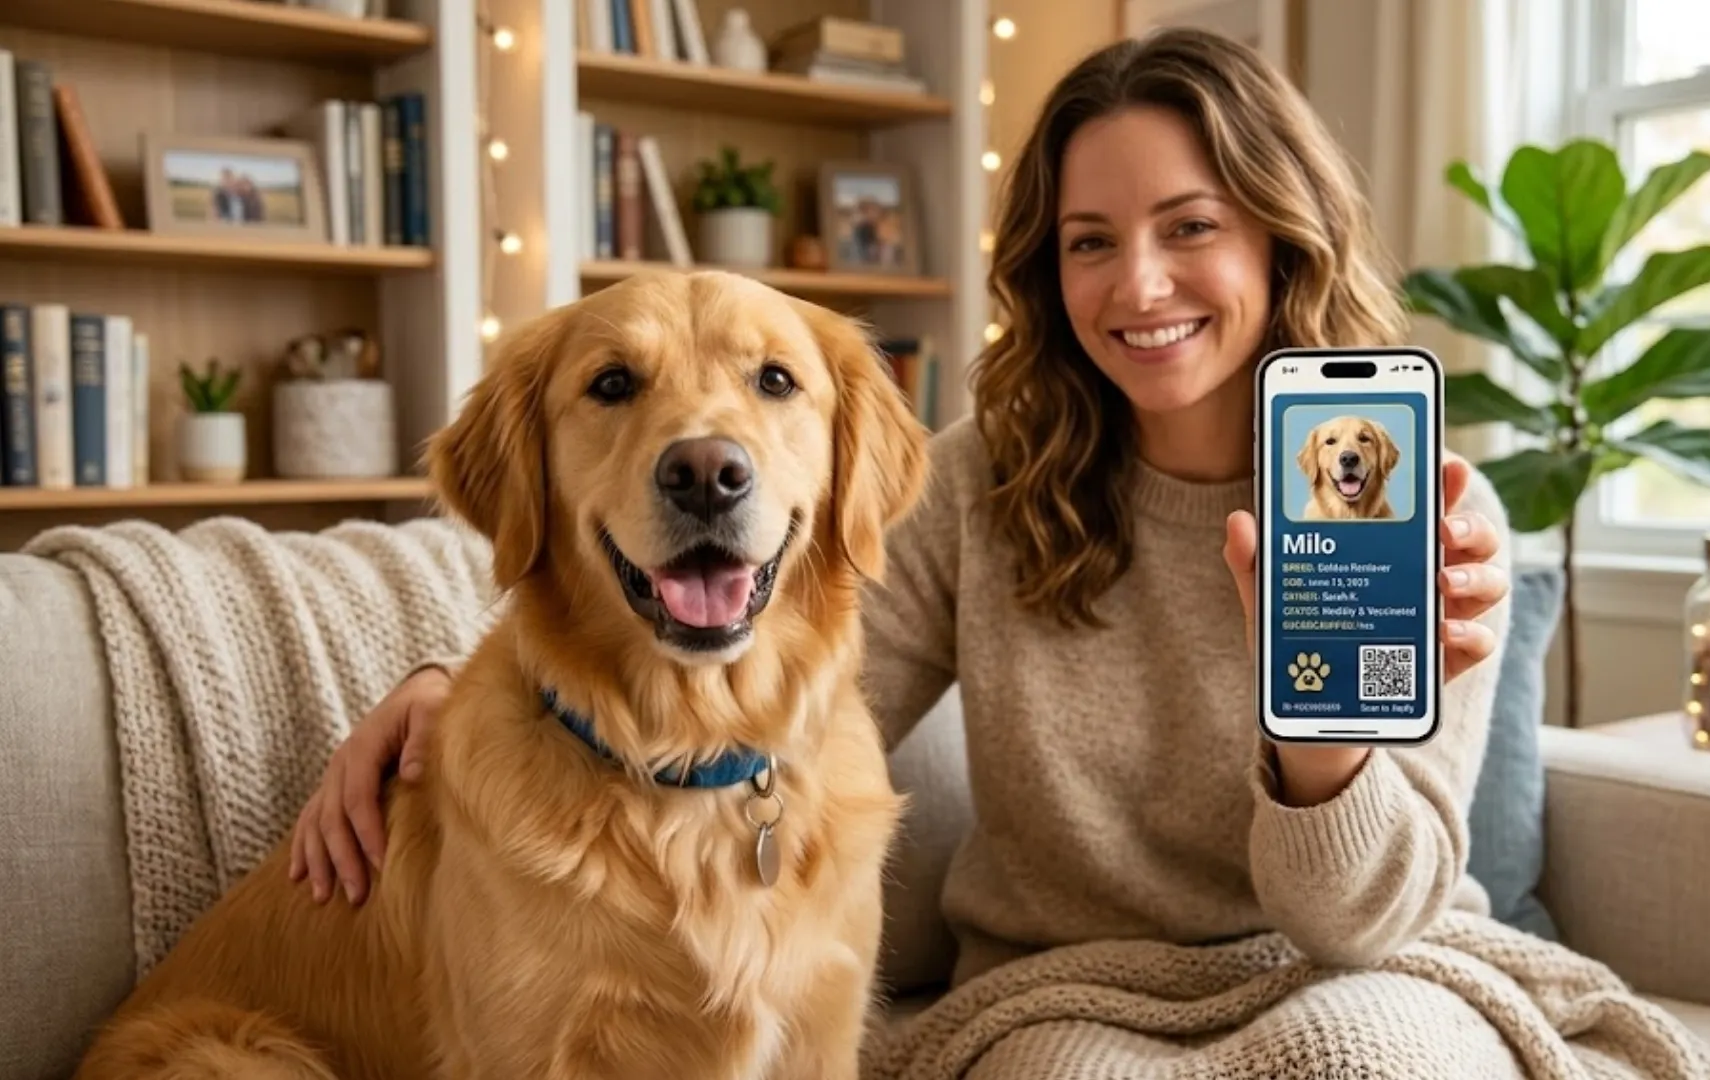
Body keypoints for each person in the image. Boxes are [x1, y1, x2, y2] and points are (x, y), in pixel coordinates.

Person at [293, 26, 1510, 1002]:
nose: (1138, 285)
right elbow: (755, 692)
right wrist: (472, 696)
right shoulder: (992, 483)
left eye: (1191, 226)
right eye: (1091, 242)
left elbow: (1353, 925)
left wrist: (1309, 721)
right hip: (1066, 991)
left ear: (1284, 238)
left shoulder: (1427, 514)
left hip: (1363, 971)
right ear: (1050, 271)